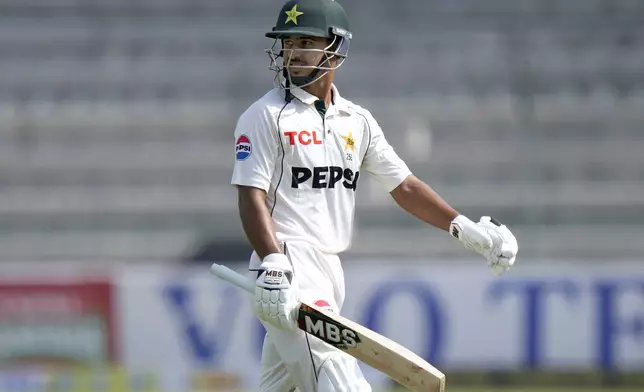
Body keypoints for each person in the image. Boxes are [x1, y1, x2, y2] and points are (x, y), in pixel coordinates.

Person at [230, 0, 519, 391]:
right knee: (339, 380)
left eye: (304, 40)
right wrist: (275, 262)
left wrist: (463, 228)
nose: (292, 52)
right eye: (287, 42)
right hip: (289, 269)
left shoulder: (357, 120)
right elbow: (251, 196)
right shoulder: (264, 116)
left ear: (334, 46)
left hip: (330, 270)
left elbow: (404, 186)